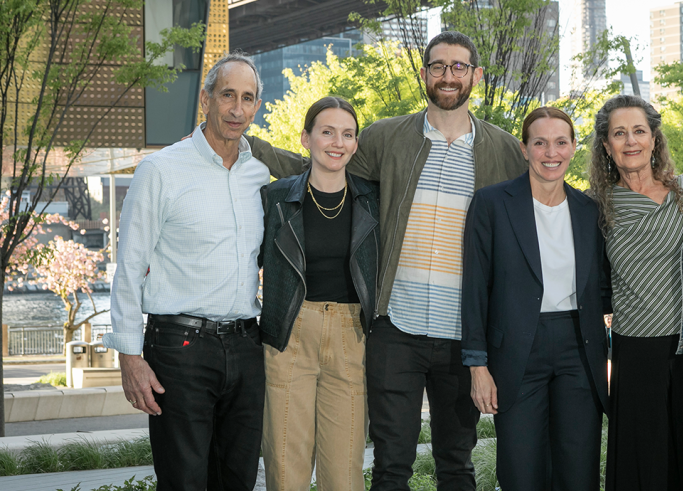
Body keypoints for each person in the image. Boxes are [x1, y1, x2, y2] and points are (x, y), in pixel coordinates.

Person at [245, 31, 527, 491]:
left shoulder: (502, 150)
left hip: (464, 334)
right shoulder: (385, 137)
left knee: (456, 463)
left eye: (459, 67)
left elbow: (532, 217)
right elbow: (323, 169)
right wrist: (249, 146)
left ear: (475, 75)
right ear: (424, 74)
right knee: (391, 464)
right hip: (395, 328)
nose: (448, 76)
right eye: (438, 66)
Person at [106, 53, 298, 490]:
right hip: (179, 348)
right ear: (206, 100)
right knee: (185, 482)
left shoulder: (260, 174)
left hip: (247, 347)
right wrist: (129, 357)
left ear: (257, 107)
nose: (236, 108)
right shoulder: (161, 170)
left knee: (238, 479)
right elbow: (130, 267)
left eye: (247, 98)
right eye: (227, 95)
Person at [461, 107, 612, 491]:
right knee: (521, 472)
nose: (551, 152)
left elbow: (604, 289)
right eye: (540, 142)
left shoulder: (589, 210)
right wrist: (478, 365)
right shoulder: (492, 204)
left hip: (579, 348)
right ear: (525, 149)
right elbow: (476, 288)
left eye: (561, 142)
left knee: (578, 473)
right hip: (516, 351)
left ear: (574, 147)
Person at [258, 97, 380, 490]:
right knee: (285, 467)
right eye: (327, 131)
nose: (337, 142)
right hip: (290, 331)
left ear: (356, 144)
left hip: (350, 336)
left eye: (347, 134)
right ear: (306, 138)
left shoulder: (372, 200)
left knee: (344, 473)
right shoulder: (276, 198)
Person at [588, 94, 683, 490]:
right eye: (618, 133)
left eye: (639, 130)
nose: (630, 141)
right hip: (634, 351)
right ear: (606, 145)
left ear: (655, 139)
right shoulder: (596, 208)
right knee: (643, 464)